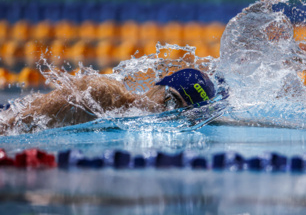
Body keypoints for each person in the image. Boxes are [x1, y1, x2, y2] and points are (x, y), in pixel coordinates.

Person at [0, 68, 216, 134]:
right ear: (157, 86)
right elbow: (11, 125)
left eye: (183, 113)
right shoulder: (99, 94)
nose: (167, 113)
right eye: (171, 101)